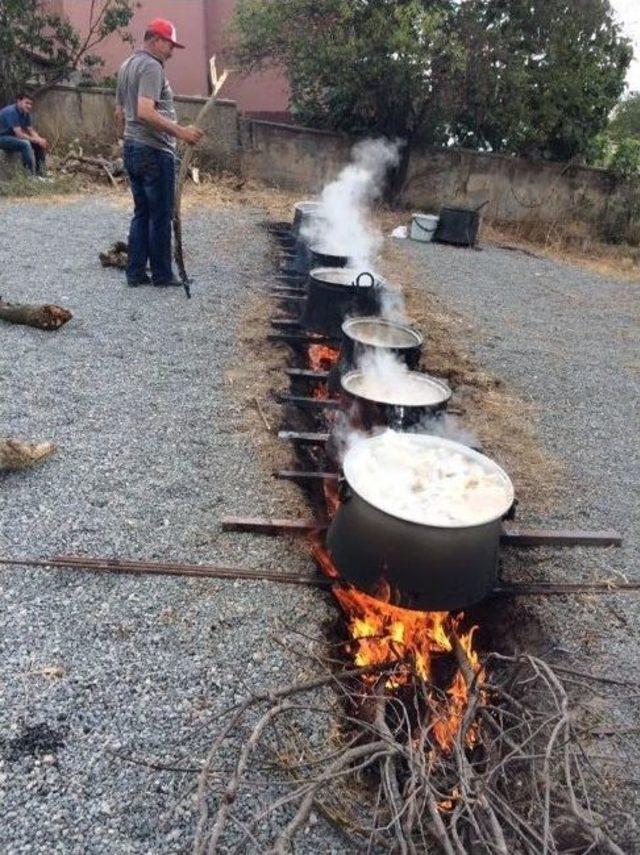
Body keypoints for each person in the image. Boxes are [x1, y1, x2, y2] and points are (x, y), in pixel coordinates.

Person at [115, 18, 204, 288]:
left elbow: (120, 112)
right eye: (169, 44)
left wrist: (126, 141)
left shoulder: (127, 65)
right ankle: (163, 275)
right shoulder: (152, 67)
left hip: (133, 148)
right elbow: (144, 111)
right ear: (155, 40)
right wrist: (181, 132)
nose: (172, 51)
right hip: (153, 151)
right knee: (160, 214)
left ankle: (135, 273)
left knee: (142, 211)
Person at [0, 93, 49, 178]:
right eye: (27, 103)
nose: (29, 106)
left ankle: (41, 175)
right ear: (19, 101)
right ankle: (29, 176)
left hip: (11, 137)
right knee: (25, 144)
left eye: (31, 104)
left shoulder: (25, 113)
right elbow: (19, 135)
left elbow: (31, 130)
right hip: (2, 138)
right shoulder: (12, 111)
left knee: (38, 144)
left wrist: (40, 140)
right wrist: (36, 140)